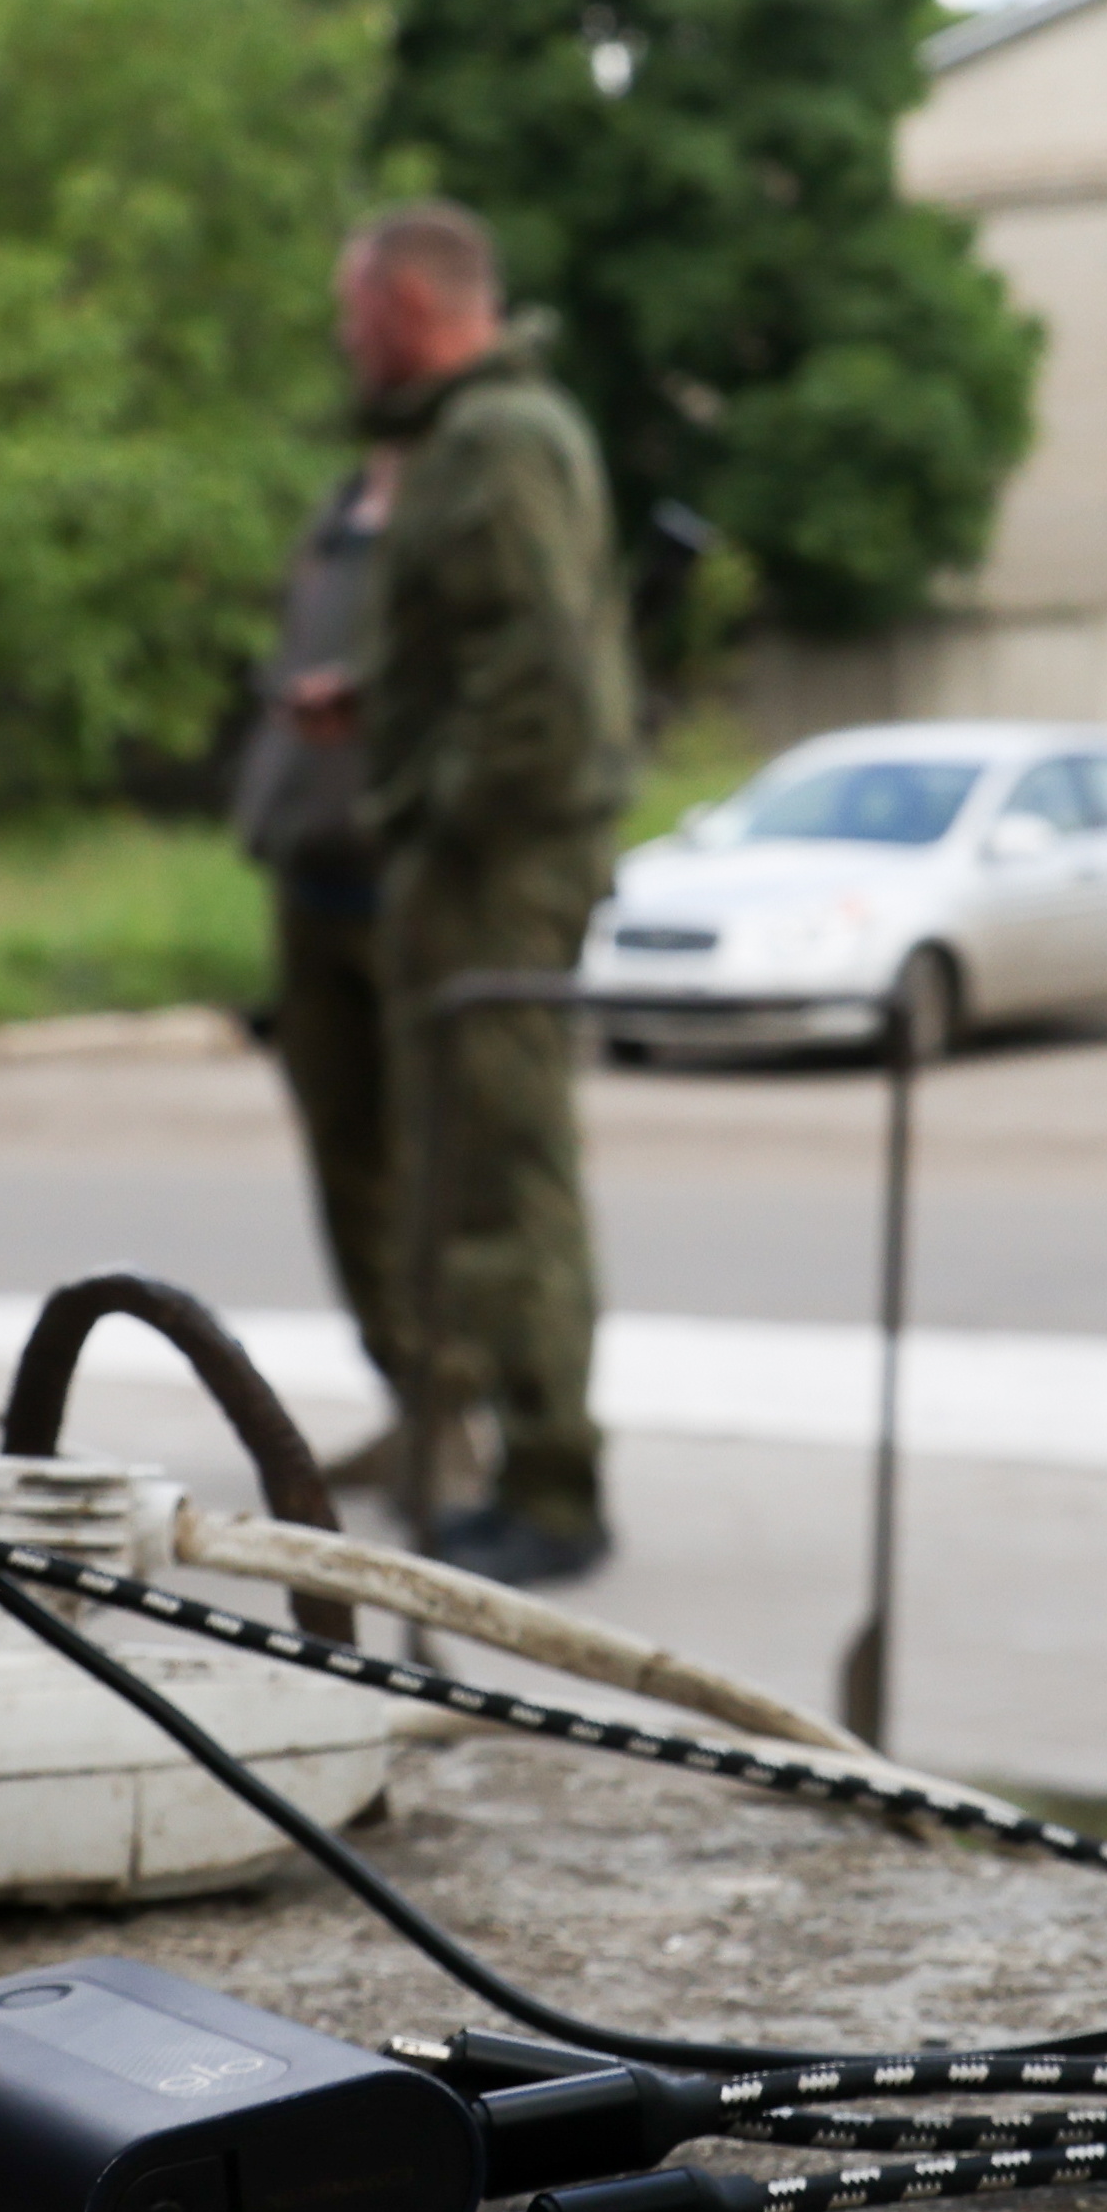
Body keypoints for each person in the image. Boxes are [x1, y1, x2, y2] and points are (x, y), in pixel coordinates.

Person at [307, 200, 635, 1585]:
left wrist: (440, 819)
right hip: (476, 847)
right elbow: (486, 650)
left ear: (407, 308)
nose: (343, 339)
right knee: (459, 1167)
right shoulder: (460, 435)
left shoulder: (497, 438)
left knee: (505, 1168)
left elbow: (541, 673)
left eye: (352, 313)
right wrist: (380, 702)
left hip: (497, 860)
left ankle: (554, 1485)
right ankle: (513, 1456)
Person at [230, 435, 415, 1490]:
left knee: (434, 1171)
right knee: (349, 1170)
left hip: (411, 884)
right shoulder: (338, 514)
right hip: (314, 872)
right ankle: (409, 1396)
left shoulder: (464, 500)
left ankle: (466, 1416)